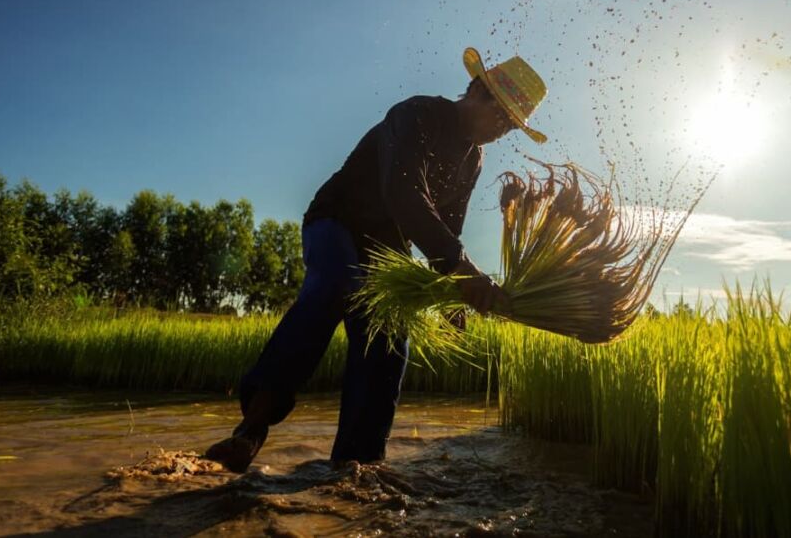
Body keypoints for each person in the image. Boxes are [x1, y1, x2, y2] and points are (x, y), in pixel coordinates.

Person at [203, 47, 548, 473]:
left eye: (512, 127)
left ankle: (356, 467)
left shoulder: (473, 161)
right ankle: (250, 430)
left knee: (389, 342)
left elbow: (448, 228)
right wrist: (463, 270)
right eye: (501, 117)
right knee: (335, 285)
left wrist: (451, 294)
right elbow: (403, 195)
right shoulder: (416, 114)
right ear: (478, 91)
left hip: (388, 252)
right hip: (338, 222)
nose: (502, 131)